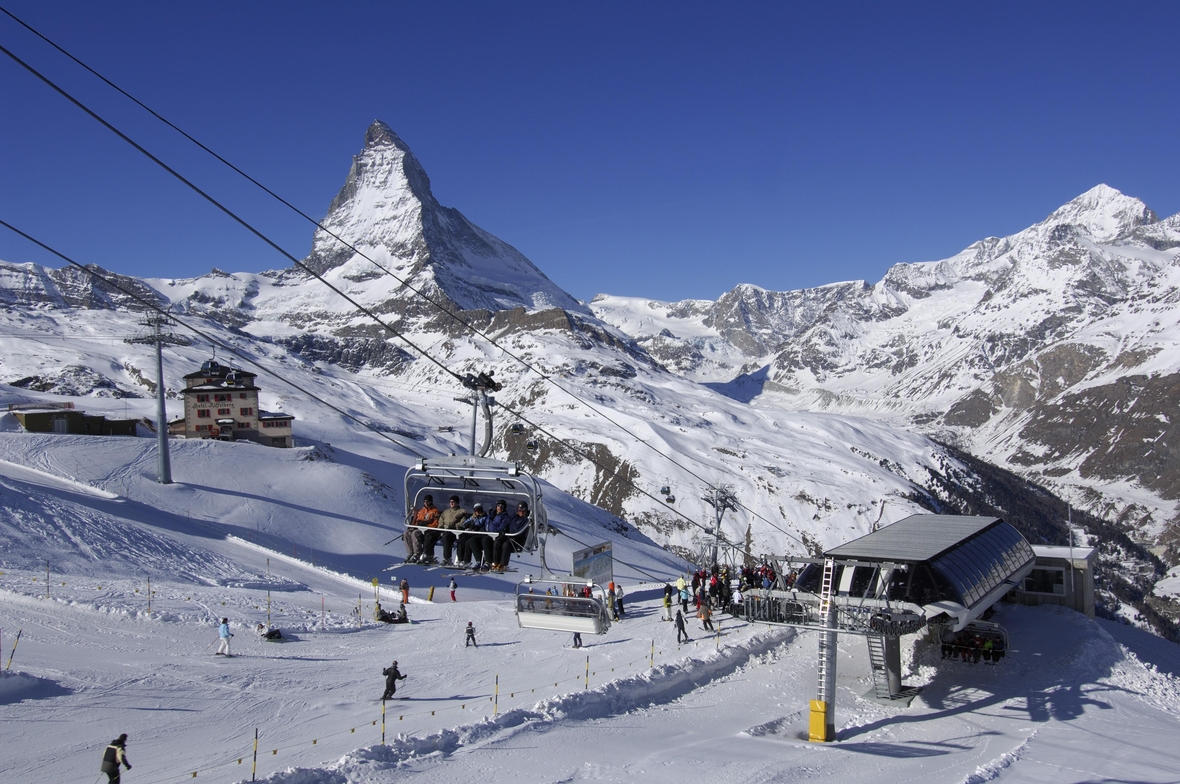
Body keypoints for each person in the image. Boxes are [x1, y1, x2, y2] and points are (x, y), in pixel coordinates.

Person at [426, 495, 468, 565]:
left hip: (454, 532)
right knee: (429, 535)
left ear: (457, 503)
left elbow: (463, 523)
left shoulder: (462, 511)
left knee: (446, 537)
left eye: (453, 502)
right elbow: (441, 520)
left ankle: (447, 558)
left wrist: (454, 526)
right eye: (450, 502)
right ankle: (428, 555)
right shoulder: (446, 511)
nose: (451, 503)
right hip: (444, 530)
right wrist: (441, 527)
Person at [409, 495, 440, 563]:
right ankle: (411, 553)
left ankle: (417, 553)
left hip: (427, 530)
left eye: (428, 501)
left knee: (415, 533)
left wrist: (427, 525)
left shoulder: (435, 511)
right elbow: (417, 520)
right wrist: (418, 524)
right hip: (420, 528)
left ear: (431, 502)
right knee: (407, 534)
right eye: (425, 501)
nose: (426, 503)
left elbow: (435, 523)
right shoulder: (421, 511)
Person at [457, 503, 488, 569]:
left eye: (479, 510)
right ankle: (460, 559)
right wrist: (467, 524)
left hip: (479, 534)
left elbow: (480, 524)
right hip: (471, 533)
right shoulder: (473, 517)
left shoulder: (484, 517)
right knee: (462, 539)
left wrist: (473, 524)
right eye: (475, 510)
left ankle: (469, 560)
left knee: (469, 541)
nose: (477, 512)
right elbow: (464, 524)